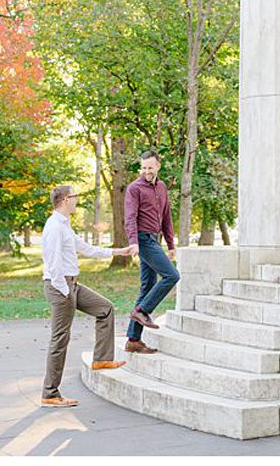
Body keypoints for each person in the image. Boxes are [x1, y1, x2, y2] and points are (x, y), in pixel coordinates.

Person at [38, 185, 129, 406]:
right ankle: (50, 394)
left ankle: (102, 360)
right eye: (75, 197)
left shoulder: (65, 226)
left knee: (105, 308)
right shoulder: (54, 227)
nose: (77, 200)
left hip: (72, 284)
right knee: (60, 338)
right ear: (66, 199)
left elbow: (88, 249)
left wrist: (119, 251)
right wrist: (66, 291)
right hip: (61, 287)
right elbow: (53, 264)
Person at [121, 151, 180, 352]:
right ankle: (142, 310)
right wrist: (133, 242)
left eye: (150, 167)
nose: (146, 171)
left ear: (158, 166)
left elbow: (166, 217)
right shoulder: (134, 189)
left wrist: (171, 245)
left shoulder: (161, 187)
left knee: (147, 286)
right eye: (143, 167)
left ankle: (133, 340)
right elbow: (130, 217)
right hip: (143, 240)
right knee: (172, 275)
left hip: (154, 238)